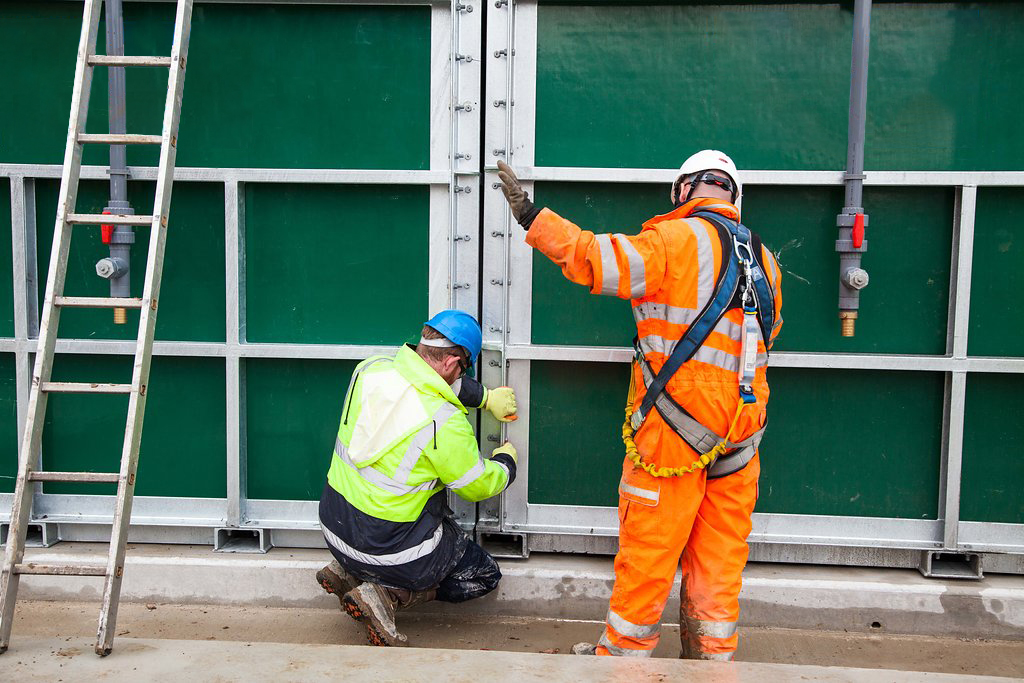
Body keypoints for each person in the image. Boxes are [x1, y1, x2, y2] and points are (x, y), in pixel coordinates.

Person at [497, 150, 783, 660]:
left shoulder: (673, 241)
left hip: (676, 428)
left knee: (649, 546)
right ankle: (711, 662)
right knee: (720, 555)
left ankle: (625, 659)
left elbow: (594, 259)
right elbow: (766, 335)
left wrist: (530, 216)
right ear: (733, 195)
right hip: (742, 430)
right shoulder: (764, 260)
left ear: (682, 191)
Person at [315, 310, 519, 647]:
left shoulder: (369, 370)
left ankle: (349, 571)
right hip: (388, 549)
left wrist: (485, 398)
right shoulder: (444, 422)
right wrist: (506, 463)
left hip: (334, 528)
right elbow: (477, 486)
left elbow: (424, 379)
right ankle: (387, 595)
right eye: (462, 368)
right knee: (482, 573)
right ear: (454, 362)